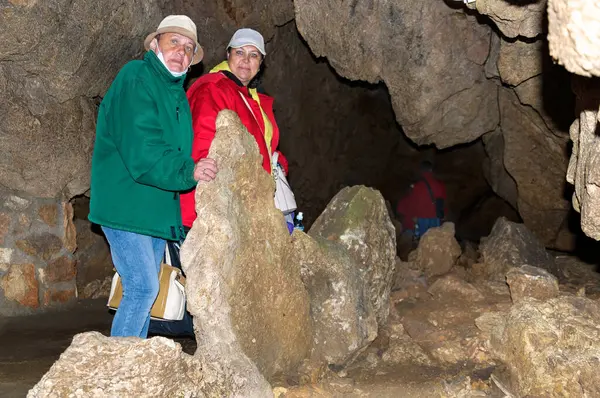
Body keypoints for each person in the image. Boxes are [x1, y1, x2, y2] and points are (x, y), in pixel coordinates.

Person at [88, 15, 216, 338]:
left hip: (155, 213)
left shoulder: (176, 96)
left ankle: (136, 364)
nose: (182, 53)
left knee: (148, 293)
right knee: (144, 287)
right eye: (175, 42)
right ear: (155, 43)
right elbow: (143, 151)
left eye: (189, 49)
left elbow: (175, 152)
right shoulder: (136, 78)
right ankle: (119, 371)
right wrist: (190, 170)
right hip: (126, 207)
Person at [180, 28, 288, 230]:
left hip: (245, 204)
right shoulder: (214, 87)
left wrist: (278, 163)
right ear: (228, 54)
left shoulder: (251, 99)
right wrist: (209, 186)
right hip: (210, 207)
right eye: (240, 52)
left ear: (261, 63)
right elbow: (203, 137)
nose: (246, 60)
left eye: (253, 55)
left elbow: (263, 146)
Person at [395, 160, 447, 239]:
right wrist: (443, 215)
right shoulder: (439, 185)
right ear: (431, 170)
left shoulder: (417, 186)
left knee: (423, 241)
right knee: (435, 241)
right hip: (435, 218)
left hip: (422, 218)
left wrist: (412, 216)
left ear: (421, 171)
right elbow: (442, 201)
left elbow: (413, 203)